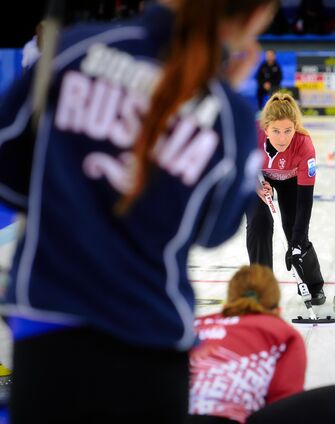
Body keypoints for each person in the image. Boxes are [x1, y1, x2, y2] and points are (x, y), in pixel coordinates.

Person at [0, 0, 278, 422]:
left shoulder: (76, 49)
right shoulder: (227, 111)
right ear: (256, 16)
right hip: (151, 337)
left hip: (49, 325)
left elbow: (8, 171)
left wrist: (74, 204)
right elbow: (215, 230)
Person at [187, 264, 335, 424]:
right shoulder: (281, 332)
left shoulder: (195, 325)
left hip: (172, 415)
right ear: (276, 308)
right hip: (227, 419)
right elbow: (283, 400)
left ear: (229, 299)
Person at [246, 92, 325, 305]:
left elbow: (305, 200)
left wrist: (297, 242)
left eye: (288, 131)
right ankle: (262, 287)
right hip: (260, 181)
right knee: (259, 224)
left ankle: (313, 285)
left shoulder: (304, 145)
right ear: (266, 129)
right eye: (276, 131)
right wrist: (256, 186)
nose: (282, 138)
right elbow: (239, 167)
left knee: (295, 230)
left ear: (295, 127)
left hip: (291, 182)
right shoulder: (252, 135)